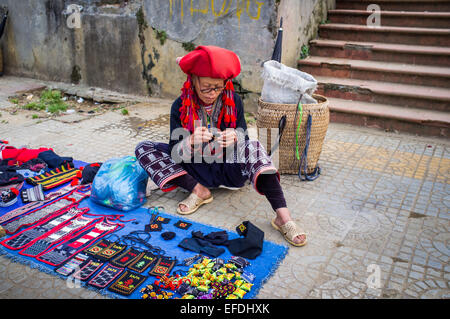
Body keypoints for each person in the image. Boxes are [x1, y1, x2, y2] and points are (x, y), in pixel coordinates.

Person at [135, 45, 306, 247]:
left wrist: (236, 135)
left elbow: (242, 134)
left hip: (228, 170)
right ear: (193, 81)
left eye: (218, 87)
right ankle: (199, 191)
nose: (211, 93)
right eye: (206, 86)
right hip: (194, 168)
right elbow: (175, 152)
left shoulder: (233, 100)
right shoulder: (179, 105)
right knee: (144, 148)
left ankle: (283, 218)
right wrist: (189, 141)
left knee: (254, 146)